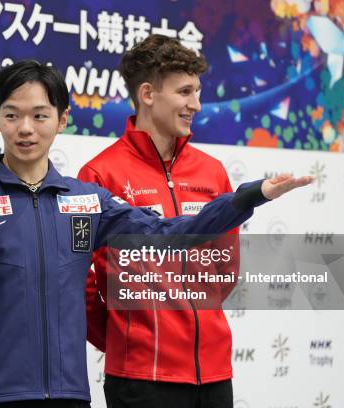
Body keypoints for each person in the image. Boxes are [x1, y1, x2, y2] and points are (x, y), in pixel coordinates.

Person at [0, 59, 310, 408]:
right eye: (12, 115)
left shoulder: (87, 199)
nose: (25, 128)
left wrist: (250, 196)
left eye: (40, 116)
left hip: (69, 392)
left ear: (62, 119)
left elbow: (168, 232)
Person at [77, 34, 248, 407]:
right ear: (148, 94)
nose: (196, 105)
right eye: (185, 92)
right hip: (140, 378)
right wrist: (128, 338)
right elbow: (81, 282)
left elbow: (226, 269)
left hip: (215, 374)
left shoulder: (213, 172)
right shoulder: (99, 174)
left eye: (198, 92)